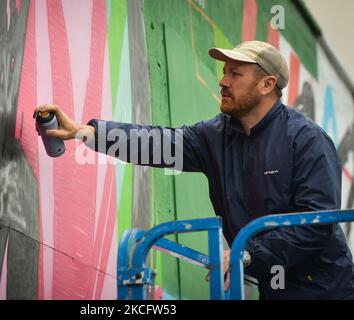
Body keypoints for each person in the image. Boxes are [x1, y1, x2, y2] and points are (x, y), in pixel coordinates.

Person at [33, 41, 354, 299]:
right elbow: (158, 143)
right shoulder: (216, 135)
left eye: (235, 74)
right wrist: (86, 133)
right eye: (224, 71)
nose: (223, 81)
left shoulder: (306, 140)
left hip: (329, 288)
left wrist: (245, 254)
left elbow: (315, 223)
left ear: (267, 84)